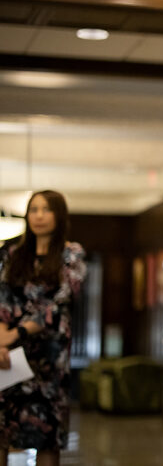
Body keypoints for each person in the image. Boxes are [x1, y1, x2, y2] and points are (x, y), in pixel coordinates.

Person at [0, 190, 87, 466]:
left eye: (46, 209)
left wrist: (15, 334)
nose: (38, 216)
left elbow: (59, 303)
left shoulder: (70, 254)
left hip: (49, 360)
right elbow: (3, 299)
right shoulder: (11, 253)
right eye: (33, 209)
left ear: (58, 215)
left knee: (47, 436)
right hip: (8, 358)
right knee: (2, 429)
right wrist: (1, 341)